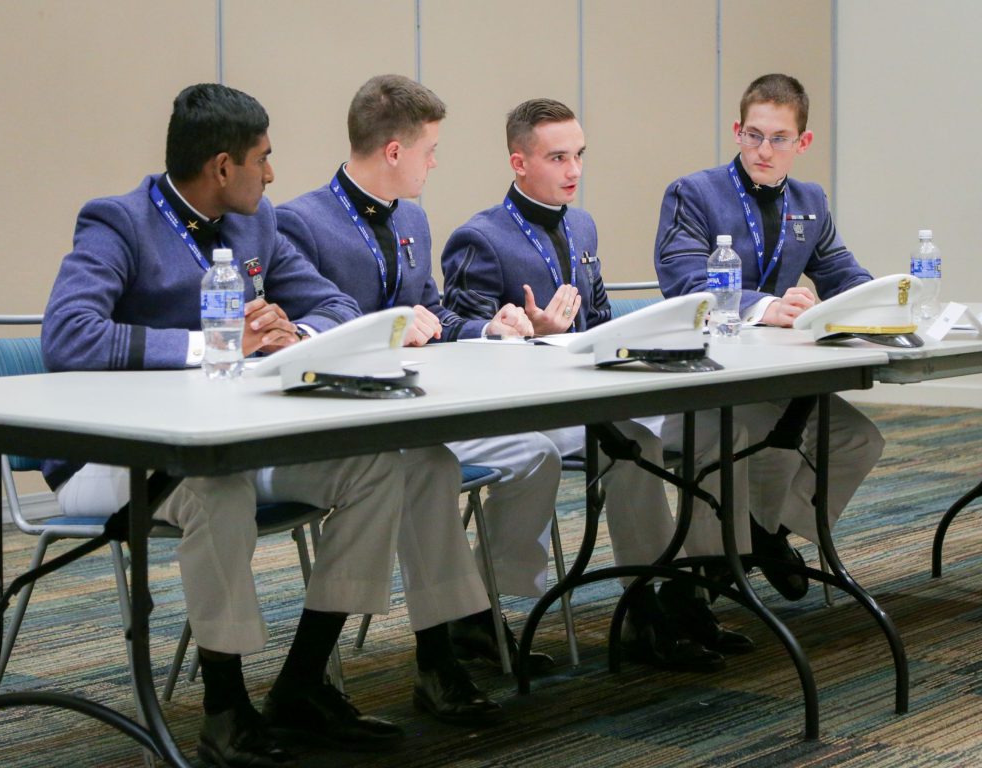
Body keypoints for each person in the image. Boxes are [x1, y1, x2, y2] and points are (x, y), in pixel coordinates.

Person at [44, 83, 420, 767]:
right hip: (110, 460)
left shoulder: (258, 224)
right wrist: (216, 346)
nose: (272, 174)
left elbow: (335, 305)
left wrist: (290, 332)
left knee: (377, 466)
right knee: (218, 491)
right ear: (223, 167)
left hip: (226, 444)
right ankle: (225, 712)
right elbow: (68, 336)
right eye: (263, 158)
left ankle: (301, 686)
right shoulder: (118, 222)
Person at [441, 98, 753, 673]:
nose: (573, 170)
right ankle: (487, 613)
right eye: (557, 157)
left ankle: (658, 598)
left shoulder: (582, 224)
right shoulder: (479, 237)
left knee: (685, 430)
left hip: (586, 397)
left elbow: (603, 319)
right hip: (520, 412)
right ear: (518, 162)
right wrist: (519, 333)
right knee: (631, 441)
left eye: (579, 155)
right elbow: (456, 336)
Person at [275, 74, 558, 684]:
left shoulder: (414, 221)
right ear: (396, 152)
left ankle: (475, 614)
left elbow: (434, 310)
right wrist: (386, 330)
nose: (435, 163)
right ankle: (445, 647)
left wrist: (488, 327)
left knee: (534, 453)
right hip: (342, 424)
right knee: (423, 467)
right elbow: (300, 335)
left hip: (418, 407)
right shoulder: (298, 223)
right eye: (430, 151)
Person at [654, 73, 885, 596]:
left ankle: (767, 532)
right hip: (711, 377)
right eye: (753, 135)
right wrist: (767, 305)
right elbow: (684, 280)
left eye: (779, 138)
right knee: (739, 437)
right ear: (737, 131)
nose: (764, 149)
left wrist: (866, 303)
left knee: (858, 440)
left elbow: (843, 272)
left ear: (801, 143)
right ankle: (709, 571)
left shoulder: (811, 200)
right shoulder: (694, 193)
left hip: (774, 373)